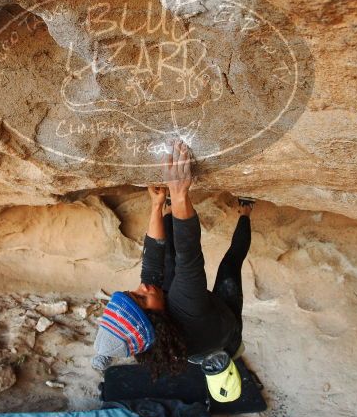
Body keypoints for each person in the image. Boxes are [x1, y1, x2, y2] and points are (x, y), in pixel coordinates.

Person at [92, 140, 253, 380]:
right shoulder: (186, 308)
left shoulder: (153, 310)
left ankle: (167, 210)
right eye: (141, 297)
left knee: (164, 261)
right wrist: (179, 192)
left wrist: (157, 206)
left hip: (192, 326)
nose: (142, 288)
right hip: (223, 328)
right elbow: (189, 255)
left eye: (132, 292)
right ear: (157, 320)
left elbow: (152, 260)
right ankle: (246, 213)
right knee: (230, 265)